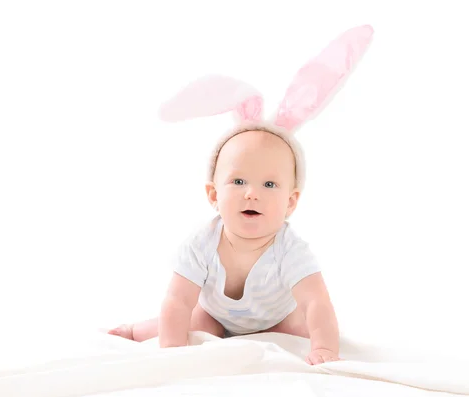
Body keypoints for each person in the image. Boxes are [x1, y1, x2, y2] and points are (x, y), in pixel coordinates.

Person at [108, 24, 374, 365]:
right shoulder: (201, 244)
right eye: (237, 182)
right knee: (192, 321)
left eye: (269, 185)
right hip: (216, 317)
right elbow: (178, 300)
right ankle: (134, 330)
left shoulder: (290, 250)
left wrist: (324, 349)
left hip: (276, 319)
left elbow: (316, 303)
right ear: (213, 194)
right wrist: (172, 351)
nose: (252, 194)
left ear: (291, 202)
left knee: (304, 324)